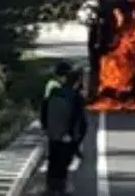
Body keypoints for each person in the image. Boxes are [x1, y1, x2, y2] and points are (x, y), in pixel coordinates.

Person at [40, 67, 88, 195]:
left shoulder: (54, 92)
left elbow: (44, 109)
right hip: (67, 135)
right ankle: (61, 188)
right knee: (63, 162)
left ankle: (50, 187)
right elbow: (79, 120)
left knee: (53, 159)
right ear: (77, 82)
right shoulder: (76, 97)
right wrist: (75, 139)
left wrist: (46, 127)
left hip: (53, 133)